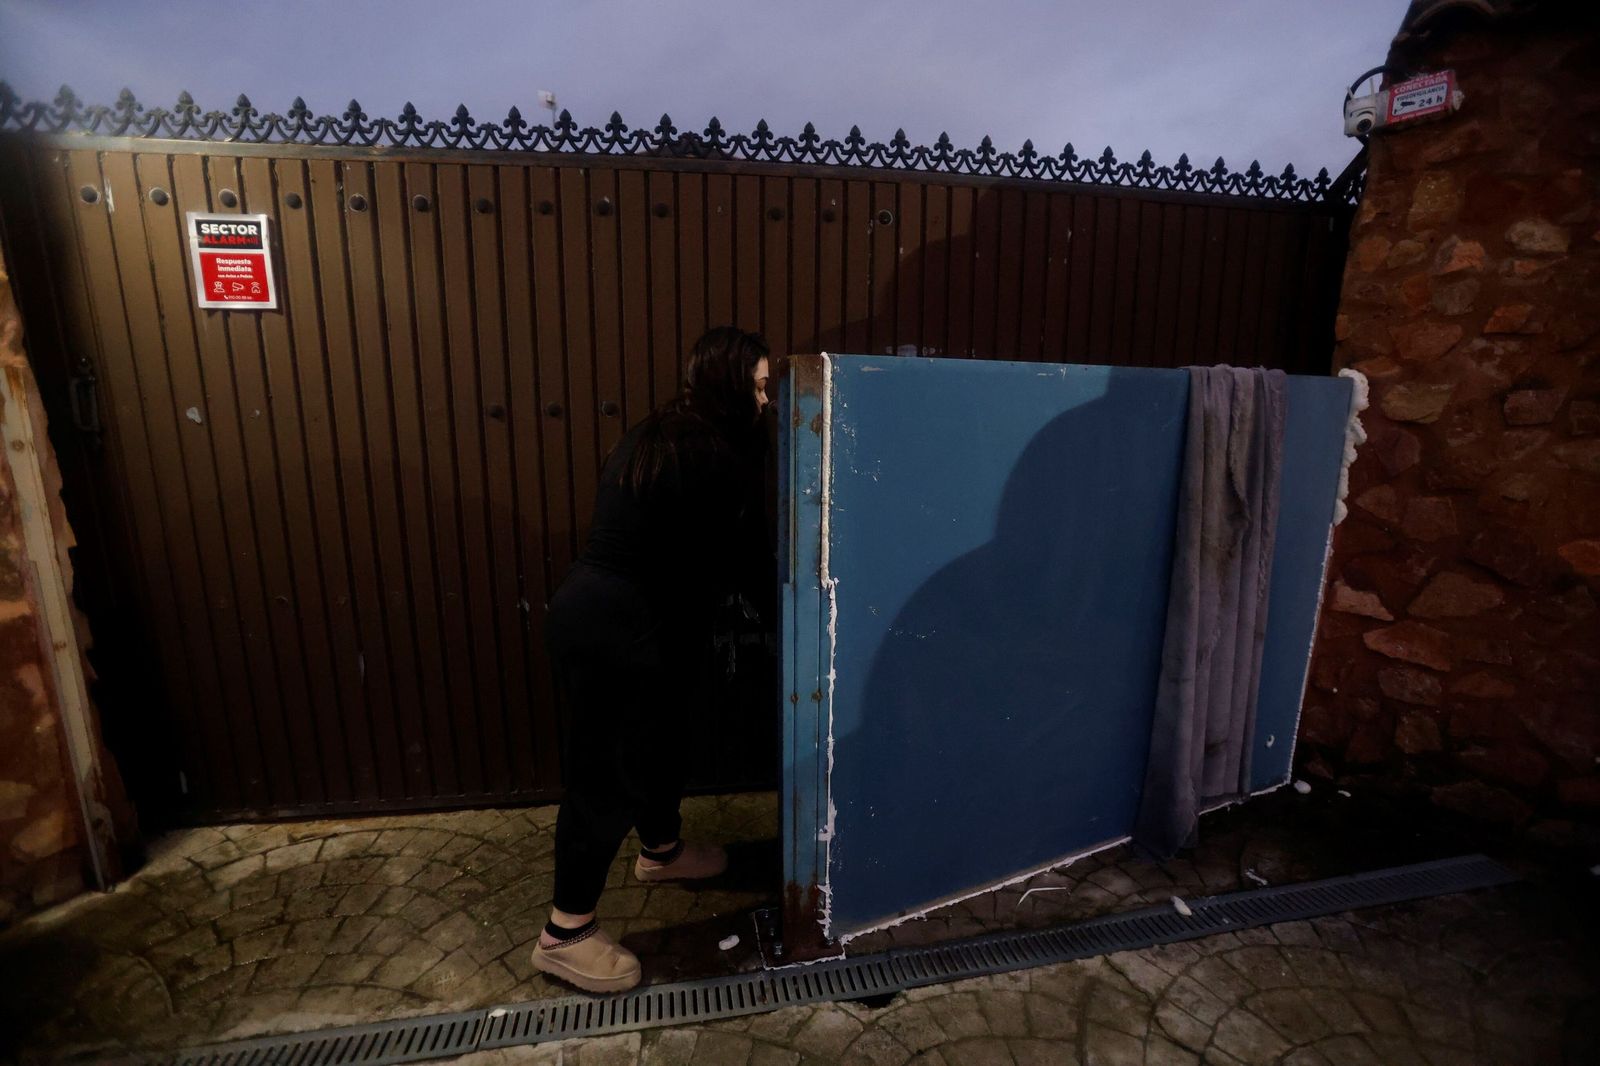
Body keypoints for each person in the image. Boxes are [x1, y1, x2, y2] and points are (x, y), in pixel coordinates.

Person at [531, 326, 773, 993]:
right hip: (620, 629)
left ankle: (661, 852)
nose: (767, 400)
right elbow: (744, 557)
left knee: (662, 743)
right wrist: (791, 624)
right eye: (758, 386)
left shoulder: (667, 430)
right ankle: (565, 934)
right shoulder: (712, 452)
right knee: (606, 781)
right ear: (729, 384)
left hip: (610, 617)